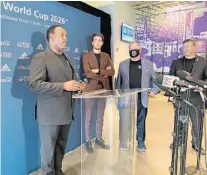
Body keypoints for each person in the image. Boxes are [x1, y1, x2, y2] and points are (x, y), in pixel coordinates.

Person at [29, 25, 85, 175]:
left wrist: (77, 86)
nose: (66, 38)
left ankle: (58, 172)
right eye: (62, 35)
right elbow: (35, 85)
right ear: (52, 37)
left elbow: (70, 82)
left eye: (66, 35)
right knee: (48, 154)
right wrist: (64, 86)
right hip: (49, 116)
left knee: (60, 149)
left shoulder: (66, 58)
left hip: (66, 113)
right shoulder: (41, 57)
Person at [116, 41, 159, 152]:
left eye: (135, 49)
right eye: (131, 49)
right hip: (126, 97)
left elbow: (156, 80)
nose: (133, 51)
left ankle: (140, 142)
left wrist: (154, 90)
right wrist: (118, 96)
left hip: (142, 98)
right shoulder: (122, 64)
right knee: (124, 121)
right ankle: (124, 142)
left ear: (140, 51)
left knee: (141, 121)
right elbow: (119, 82)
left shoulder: (148, 64)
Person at [169, 39, 207, 155]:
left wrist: (202, 87)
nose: (185, 49)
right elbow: (170, 78)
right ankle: (178, 141)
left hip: (197, 99)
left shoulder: (203, 62)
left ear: (194, 48)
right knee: (180, 123)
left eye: (188, 47)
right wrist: (172, 93)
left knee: (197, 124)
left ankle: (196, 144)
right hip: (181, 98)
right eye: (184, 47)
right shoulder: (176, 62)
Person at [82, 33, 115, 153]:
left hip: (103, 90)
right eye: (95, 40)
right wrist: (103, 75)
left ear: (102, 43)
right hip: (90, 91)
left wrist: (99, 71)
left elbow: (112, 71)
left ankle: (99, 139)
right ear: (92, 42)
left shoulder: (106, 56)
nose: (97, 42)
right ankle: (88, 141)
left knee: (100, 116)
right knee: (89, 117)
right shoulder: (86, 56)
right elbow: (88, 73)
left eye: (99, 40)